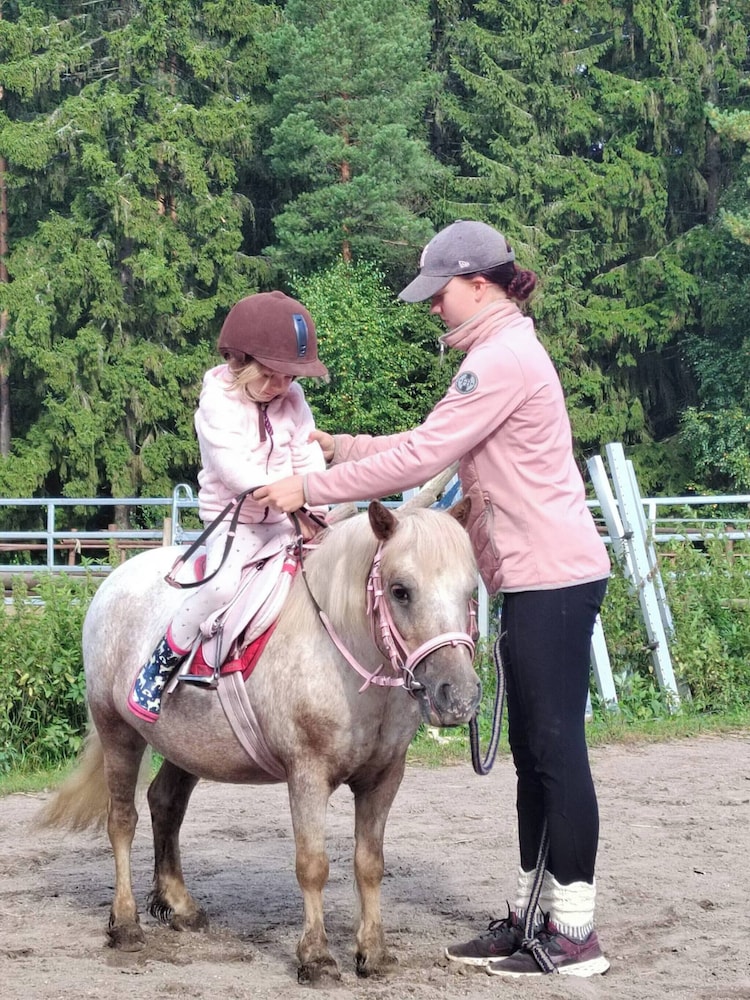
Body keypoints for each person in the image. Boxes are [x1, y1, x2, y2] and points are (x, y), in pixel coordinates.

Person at [253, 220, 612, 978]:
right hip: (534, 575)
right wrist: (348, 448)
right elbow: (431, 439)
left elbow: (425, 455)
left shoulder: (501, 359)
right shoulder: (498, 351)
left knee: (554, 751)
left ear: (478, 284)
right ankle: (533, 918)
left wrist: (311, 485)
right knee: (533, 754)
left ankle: (574, 932)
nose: (433, 307)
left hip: (550, 575)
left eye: (439, 293)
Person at [128, 291, 328, 723]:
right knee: (220, 587)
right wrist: (283, 494)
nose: (281, 387)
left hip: (289, 520)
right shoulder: (217, 401)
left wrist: (315, 501)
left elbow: (307, 452)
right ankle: (158, 666)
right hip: (236, 522)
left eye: (289, 377)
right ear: (239, 363)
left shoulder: (293, 400)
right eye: (270, 376)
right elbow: (233, 467)